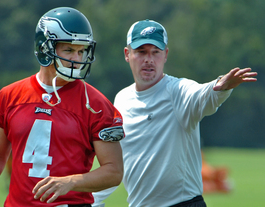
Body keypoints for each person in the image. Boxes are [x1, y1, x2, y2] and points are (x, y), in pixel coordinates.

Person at [0, 7, 124, 207]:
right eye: (69, 50)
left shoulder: (95, 104)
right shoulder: (10, 95)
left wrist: (71, 181)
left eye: (81, 51)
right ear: (44, 48)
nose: (77, 58)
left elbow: (114, 171)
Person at [93, 19, 257, 207]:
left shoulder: (178, 90)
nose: (149, 59)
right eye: (141, 52)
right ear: (127, 54)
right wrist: (94, 201)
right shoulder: (122, 99)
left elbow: (203, 96)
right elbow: (118, 160)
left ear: (166, 55)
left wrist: (219, 87)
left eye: (156, 52)